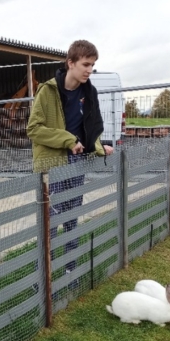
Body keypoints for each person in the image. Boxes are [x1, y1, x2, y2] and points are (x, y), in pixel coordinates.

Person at [26, 40, 114, 294]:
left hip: (76, 165)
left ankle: (70, 272)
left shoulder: (89, 93)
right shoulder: (48, 91)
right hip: (52, 167)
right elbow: (33, 129)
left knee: (72, 221)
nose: (89, 70)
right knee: (50, 224)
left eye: (93, 65)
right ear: (71, 63)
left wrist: (99, 147)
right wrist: (67, 140)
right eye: (86, 64)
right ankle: (42, 279)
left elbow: (90, 129)